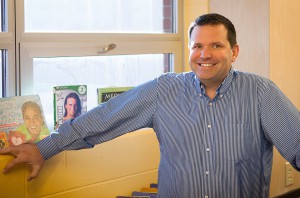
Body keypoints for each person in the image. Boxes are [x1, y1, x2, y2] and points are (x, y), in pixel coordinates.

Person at [0, 13, 299, 198]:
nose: (204, 54)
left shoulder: (260, 93)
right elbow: (106, 117)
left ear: (234, 52)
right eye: (197, 46)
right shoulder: (164, 90)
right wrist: (44, 147)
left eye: (216, 45)